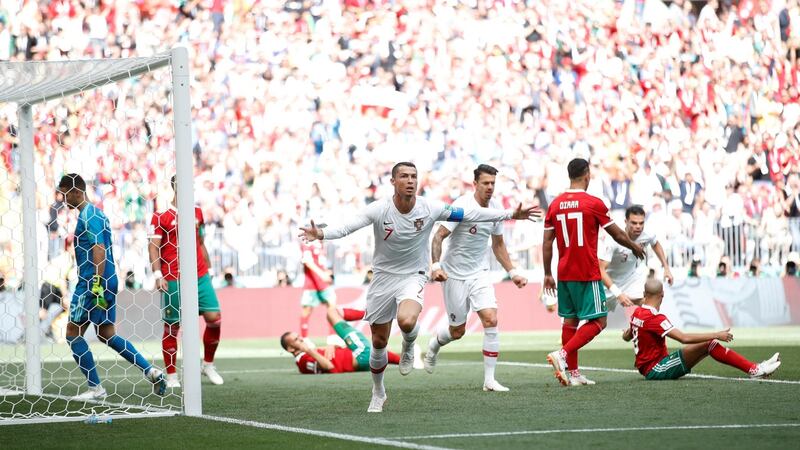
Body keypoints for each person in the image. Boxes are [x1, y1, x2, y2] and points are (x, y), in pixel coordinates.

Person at [299, 162, 541, 412]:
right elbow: (348, 226)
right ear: (393, 181)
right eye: (404, 176)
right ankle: (378, 391)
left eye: (414, 176)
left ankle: (409, 343)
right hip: (383, 278)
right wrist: (321, 234)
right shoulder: (380, 209)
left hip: (413, 275)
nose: (410, 180)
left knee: (406, 321)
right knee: (379, 341)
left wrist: (510, 214)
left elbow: (470, 214)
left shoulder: (430, 207)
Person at [58, 174, 166, 400]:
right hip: (107, 281)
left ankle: (96, 389)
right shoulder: (99, 214)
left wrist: (95, 283)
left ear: (77, 191)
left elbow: (98, 249)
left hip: (92, 283)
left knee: (72, 334)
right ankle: (151, 372)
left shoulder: (89, 215)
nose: (62, 198)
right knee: (107, 334)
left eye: (65, 193)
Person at [543, 158, 645, 387]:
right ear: (587, 175)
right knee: (599, 321)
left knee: (570, 321)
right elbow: (617, 235)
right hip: (586, 271)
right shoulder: (593, 203)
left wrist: (547, 273)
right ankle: (563, 354)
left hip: (564, 272)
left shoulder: (555, 204)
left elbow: (547, 241)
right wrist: (634, 246)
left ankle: (575, 374)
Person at [425, 164, 527, 392]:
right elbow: (438, 236)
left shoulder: (497, 210)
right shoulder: (461, 206)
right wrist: (436, 265)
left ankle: (489, 380)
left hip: (480, 273)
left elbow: (498, 245)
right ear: (475, 184)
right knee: (457, 331)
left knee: (490, 319)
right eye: (485, 183)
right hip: (454, 274)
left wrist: (513, 272)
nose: (490, 187)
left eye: (493, 183)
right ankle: (433, 345)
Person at [623, 279, 780, 380]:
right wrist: (717, 334)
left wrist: (625, 334)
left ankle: (754, 368)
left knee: (708, 346)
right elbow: (683, 338)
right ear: (662, 294)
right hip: (656, 369)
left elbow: (627, 336)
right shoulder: (655, 318)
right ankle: (754, 370)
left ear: (644, 294)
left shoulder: (637, 312)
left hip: (651, 367)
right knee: (709, 343)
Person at [149, 175, 223, 388]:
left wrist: (208, 271)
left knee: (214, 318)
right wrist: (157, 275)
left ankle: (208, 364)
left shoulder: (197, 212)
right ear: (175, 187)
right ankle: (172, 375)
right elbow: (153, 247)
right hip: (172, 276)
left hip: (199, 275)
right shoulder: (161, 216)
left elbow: (200, 242)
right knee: (173, 326)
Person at [280, 307, 404, 374]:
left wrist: (332, 346)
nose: (301, 338)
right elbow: (329, 366)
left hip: (360, 356)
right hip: (361, 354)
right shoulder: (302, 360)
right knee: (332, 312)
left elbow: (329, 358)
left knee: (379, 352)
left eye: (299, 336)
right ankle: (374, 314)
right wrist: (309, 350)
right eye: (296, 339)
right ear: (291, 348)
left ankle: (405, 361)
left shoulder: (305, 356)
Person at [599, 205, 674, 311]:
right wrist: (618, 294)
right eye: (634, 223)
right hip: (608, 284)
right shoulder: (613, 239)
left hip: (631, 279)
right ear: (626, 221)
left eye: (641, 223)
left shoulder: (647, 234)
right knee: (600, 323)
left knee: (648, 306)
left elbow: (656, 244)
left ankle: (646, 326)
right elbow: (600, 269)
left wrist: (666, 267)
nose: (638, 226)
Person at [299, 240, 337, 338]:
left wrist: (327, 272)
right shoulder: (307, 243)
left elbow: (320, 262)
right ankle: (304, 338)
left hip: (323, 284)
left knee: (332, 307)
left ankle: (333, 337)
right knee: (307, 310)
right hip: (311, 283)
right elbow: (307, 261)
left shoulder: (321, 244)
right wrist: (322, 274)